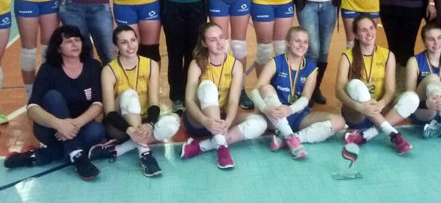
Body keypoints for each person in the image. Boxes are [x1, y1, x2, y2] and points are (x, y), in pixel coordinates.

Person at [3, 26, 105, 181]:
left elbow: (98, 103)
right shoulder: (48, 70)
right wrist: (58, 124)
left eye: (77, 40)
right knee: (53, 97)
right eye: (68, 41)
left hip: (79, 127)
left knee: (97, 130)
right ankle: (79, 157)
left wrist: (75, 124)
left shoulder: (93, 66)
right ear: (58, 48)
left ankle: (37, 156)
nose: (74, 44)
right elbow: (32, 108)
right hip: (50, 129)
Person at [91, 26, 181, 177]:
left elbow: (154, 104)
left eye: (133, 40)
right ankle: (145, 154)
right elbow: (110, 113)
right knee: (129, 95)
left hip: (143, 122)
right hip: (119, 126)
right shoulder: (108, 70)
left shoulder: (151, 64)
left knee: (174, 121)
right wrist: (130, 130)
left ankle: (118, 150)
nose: (131, 46)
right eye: (124, 42)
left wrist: (149, 124)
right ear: (116, 47)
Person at [179, 23, 268, 169]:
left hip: (221, 119)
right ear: (204, 43)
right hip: (199, 121)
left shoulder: (235, 65)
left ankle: (203, 146)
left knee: (260, 122)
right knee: (208, 86)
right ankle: (222, 148)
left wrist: (228, 121)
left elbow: (233, 100)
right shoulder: (196, 64)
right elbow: (188, 101)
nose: (220, 43)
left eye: (221, 37)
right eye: (213, 40)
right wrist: (206, 121)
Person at [251, 26, 346, 159]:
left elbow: (306, 98)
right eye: (297, 41)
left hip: (297, 115)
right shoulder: (276, 62)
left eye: (305, 42)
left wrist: (289, 110)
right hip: (275, 116)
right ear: (288, 42)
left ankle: (289, 138)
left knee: (339, 122)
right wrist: (266, 109)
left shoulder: (311, 69)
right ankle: (289, 136)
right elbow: (255, 91)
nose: (302, 45)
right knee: (265, 88)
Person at [335, 14, 419, 155]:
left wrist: (381, 104)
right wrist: (360, 107)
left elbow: (391, 90)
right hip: (357, 114)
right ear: (355, 35)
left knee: (412, 98)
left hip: (380, 112)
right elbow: (338, 91)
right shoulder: (347, 56)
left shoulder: (387, 55)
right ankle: (393, 134)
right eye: (363, 30)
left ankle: (366, 135)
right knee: (356, 85)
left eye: (371, 28)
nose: (369, 33)